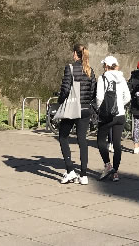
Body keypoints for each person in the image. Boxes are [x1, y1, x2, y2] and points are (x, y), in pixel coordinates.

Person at [57, 43, 96, 185]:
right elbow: (93, 90)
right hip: (86, 109)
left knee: (63, 136)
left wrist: (60, 101)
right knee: (82, 140)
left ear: (75, 54)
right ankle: (84, 175)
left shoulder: (70, 68)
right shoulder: (90, 70)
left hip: (73, 108)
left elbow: (66, 88)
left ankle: (70, 171)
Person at [96, 55, 131, 182]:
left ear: (106, 66)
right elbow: (128, 97)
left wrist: (101, 109)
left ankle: (107, 165)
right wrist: (119, 105)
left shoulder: (102, 78)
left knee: (100, 140)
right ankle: (115, 172)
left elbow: (99, 97)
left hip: (107, 115)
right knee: (117, 144)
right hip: (120, 115)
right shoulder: (121, 78)